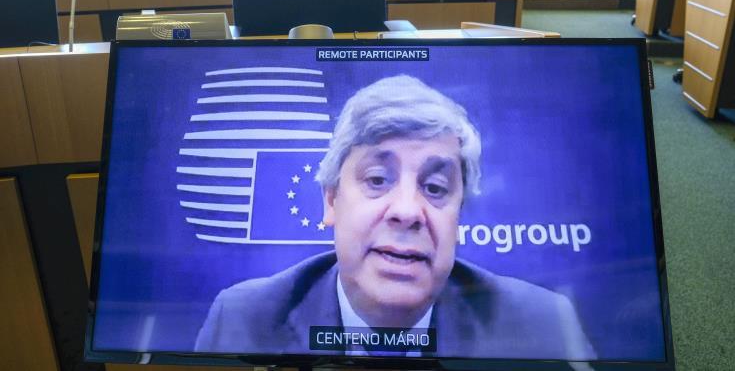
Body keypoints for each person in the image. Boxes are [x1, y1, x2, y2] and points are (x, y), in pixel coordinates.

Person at [194, 75, 597, 360]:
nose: (407, 212)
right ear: (331, 201)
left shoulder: (545, 326)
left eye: (435, 188)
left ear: (458, 218)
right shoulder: (243, 318)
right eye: (377, 180)